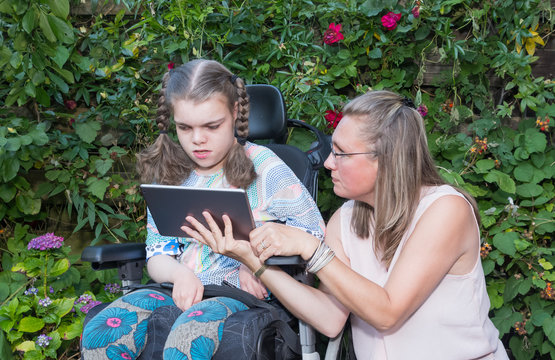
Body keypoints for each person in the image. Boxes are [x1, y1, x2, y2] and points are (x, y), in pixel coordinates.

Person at [184, 90, 509, 359]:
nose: (327, 163)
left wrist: (311, 248)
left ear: (386, 158)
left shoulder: (445, 210)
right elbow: (328, 320)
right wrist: (251, 259)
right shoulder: (347, 219)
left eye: (341, 154)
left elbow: (387, 312)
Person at [80, 59, 325, 360]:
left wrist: (259, 263)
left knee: (189, 341)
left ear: (235, 113)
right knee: (102, 333)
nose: (197, 140)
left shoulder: (267, 169)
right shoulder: (171, 173)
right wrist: (180, 274)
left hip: (237, 293)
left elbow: (313, 235)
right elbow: (158, 255)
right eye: (184, 127)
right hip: (178, 287)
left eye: (212, 126)